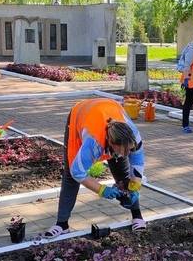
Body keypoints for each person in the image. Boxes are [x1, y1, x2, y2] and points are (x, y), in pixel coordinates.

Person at [45, 98, 146, 238]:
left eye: (128, 150)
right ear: (111, 143)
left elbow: (138, 162)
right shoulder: (94, 142)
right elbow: (77, 172)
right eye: (122, 151)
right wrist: (102, 190)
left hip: (109, 107)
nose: (126, 154)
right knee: (70, 175)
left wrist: (134, 185)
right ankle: (62, 224)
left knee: (123, 172)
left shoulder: (132, 136)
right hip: (80, 113)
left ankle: (137, 216)